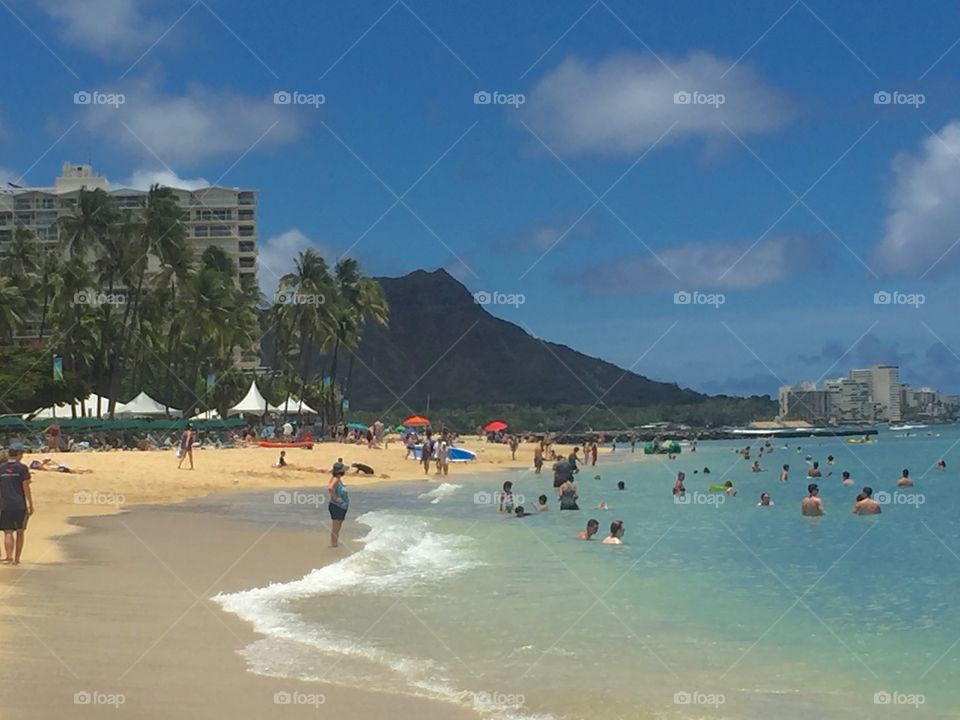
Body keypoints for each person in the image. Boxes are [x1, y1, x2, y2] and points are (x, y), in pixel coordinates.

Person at [1, 444, 33, 565]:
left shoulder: (1, 468)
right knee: (20, 531)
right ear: (19, 454)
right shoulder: (22, 468)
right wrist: (30, 503)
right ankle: (16, 559)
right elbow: (25, 487)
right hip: (19, 504)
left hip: (4, 505)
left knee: (8, 532)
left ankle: (8, 557)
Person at [327, 470, 349, 547]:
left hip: (341, 507)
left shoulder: (337, 479)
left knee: (337, 528)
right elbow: (330, 488)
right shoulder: (335, 479)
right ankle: (334, 545)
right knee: (335, 528)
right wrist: (336, 498)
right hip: (337, 507)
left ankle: (335, 543)